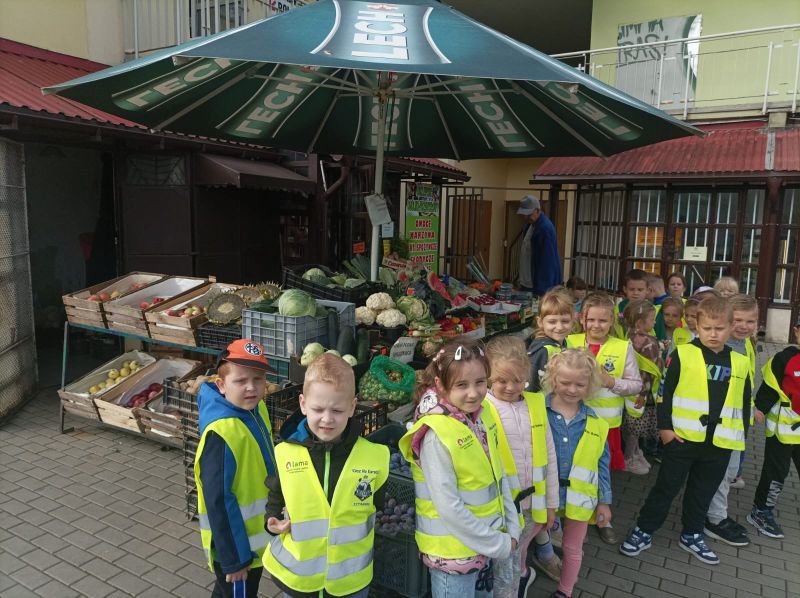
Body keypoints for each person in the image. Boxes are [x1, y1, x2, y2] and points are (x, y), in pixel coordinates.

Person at [619, 297, 751, 565]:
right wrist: (665, 429)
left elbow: (743, 403)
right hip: (681, 439)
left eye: (719, 328)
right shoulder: (683, 354)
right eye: (707, 328)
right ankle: (644, 529)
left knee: (702, 491)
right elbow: (664, 393)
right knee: (665, 488)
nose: (713, 334)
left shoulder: (740, 361)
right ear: (697, 326)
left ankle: (692, 533)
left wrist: (740, 438)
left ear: (730, 327)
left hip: (720, 443)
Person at [400, 340, 521, 598]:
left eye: (480, 382)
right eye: (462, 385)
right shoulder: (436, 435)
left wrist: (511, 526)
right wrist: (498, 542)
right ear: (441, 385)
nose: (474, 393)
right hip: (453, 557)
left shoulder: (482, 414)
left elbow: (498, 475)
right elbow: (449, 507)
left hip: (483, 545)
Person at [264, 353, 389, 598]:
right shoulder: (285, 453)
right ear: (303, 404)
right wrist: (272, 519)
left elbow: (377, 504)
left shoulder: (375, 457)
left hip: (350, 583)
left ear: (352, 406)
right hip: (299, 581)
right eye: (318, 409)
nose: (327, 419)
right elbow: (276, 495)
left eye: (338, 410)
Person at [195, 339, 277, 598]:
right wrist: (235, 559)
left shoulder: (255, 409)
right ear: (221, 385)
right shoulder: (222, 433)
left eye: (258, 379)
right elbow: (218, 499)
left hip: (251, 541)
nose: (251, 388)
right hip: (237, 548)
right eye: (240, 381)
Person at [485, 336, 561, 597]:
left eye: (518, 380)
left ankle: (519, 581)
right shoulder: (482, 408)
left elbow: (549, 457)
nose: (511, 387)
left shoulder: (536, 405)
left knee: (513, 559)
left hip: (530, 507)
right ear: (488, 376)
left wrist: (551, 504)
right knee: (503, 566)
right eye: (501, 380)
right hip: (498, 509)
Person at [567, 292, 642, 544]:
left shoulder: (623, 347)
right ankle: (570, 517)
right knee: (573, 469)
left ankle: (602, 518)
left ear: (612, 322)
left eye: (602, 320)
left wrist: (611, 382)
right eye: (591, 320)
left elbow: (635, 385)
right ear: (582, 319)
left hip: (605, 424)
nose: (596, 325)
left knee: (600, 473)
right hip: (572, 420)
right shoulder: (570, 341)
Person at [543, 349, 611, 598]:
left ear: (590, 385)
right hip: (543, 495)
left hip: (580, 499)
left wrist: (604, 501)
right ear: (553, 379)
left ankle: (565, 591)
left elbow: (602, 466)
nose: (572, 390)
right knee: (526, 541)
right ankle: (518, 581)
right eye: (565, 382)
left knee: (573, 548)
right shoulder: (537, 412)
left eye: (580, 384)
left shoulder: (597, 424)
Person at [702, 295, 762, 547]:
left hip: (737, 421)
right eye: (738, 320)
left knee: (729, 472)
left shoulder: (746, 344)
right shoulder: (721, 347)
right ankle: (714, 519)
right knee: (722, 470)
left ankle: (716, 514)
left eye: (750, 321)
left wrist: (751, 407)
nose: (744, 326)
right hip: (720, 423)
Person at [748, 324, 800, 539]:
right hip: (783, 429)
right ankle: (760, 511)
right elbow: (770, 386)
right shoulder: (784, 358)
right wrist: (759, 408)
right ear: (796, 331)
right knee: (776, 472)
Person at [621, 300, 663, 475]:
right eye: (652, 319)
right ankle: (629, 458)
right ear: (640, 323)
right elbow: (648, 371)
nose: (654, 322)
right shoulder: (648, 342)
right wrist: (643, 393)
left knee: (631, 423)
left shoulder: (627, 336)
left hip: (630, 389)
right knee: (635, 426)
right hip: (642, 391)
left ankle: (636, 452)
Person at [528, 288, 573, 392]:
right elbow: (531, 385)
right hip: (544, 401)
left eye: (565, 321)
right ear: (540, 322)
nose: (559, 327)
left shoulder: (567, 342)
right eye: (552, 322)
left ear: (572, 320)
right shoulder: (542, 350)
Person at [517, 195, 562, 296]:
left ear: (537, 210)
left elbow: (547, 262)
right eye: (523, 214)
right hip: (527, 282)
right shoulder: (530, 226)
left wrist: (543, 291)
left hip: (538, 285)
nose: (525, 217)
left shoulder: (544, 229)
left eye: (528, 214)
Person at [612, 269, 649, 339]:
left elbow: (660, 335)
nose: (635, 293)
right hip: (622, 345)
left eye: (640, 290)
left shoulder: (654, 310)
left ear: (647, 290)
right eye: (632, 289)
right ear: (625, 289)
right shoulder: (617, 309)